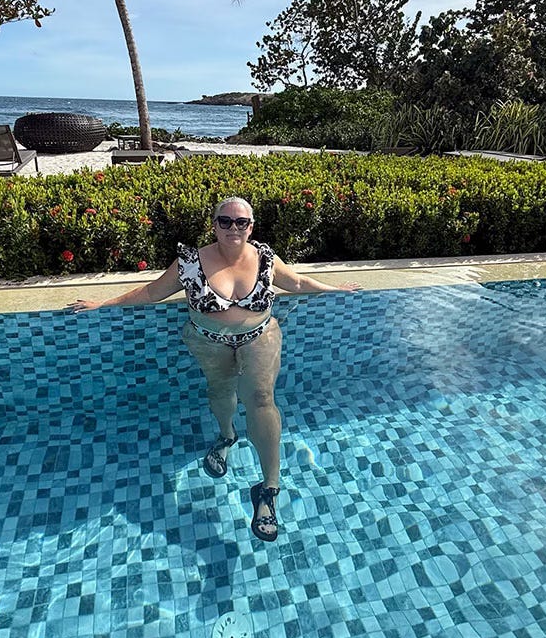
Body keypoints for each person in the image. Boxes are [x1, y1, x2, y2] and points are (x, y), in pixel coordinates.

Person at [70, 196, 361, 542]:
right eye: (226, 221)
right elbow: (151, 292)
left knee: (261, 398)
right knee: (221, 393)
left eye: (241, 222)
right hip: (208, 341)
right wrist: (102, 303)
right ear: (214, 224)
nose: (233, 228)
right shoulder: (190, 262)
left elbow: (297, 283)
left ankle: (268, 489)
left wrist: (335, 289)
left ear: (251, 227)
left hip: (259, 337)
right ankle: (227, 435)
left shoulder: (265, 258)